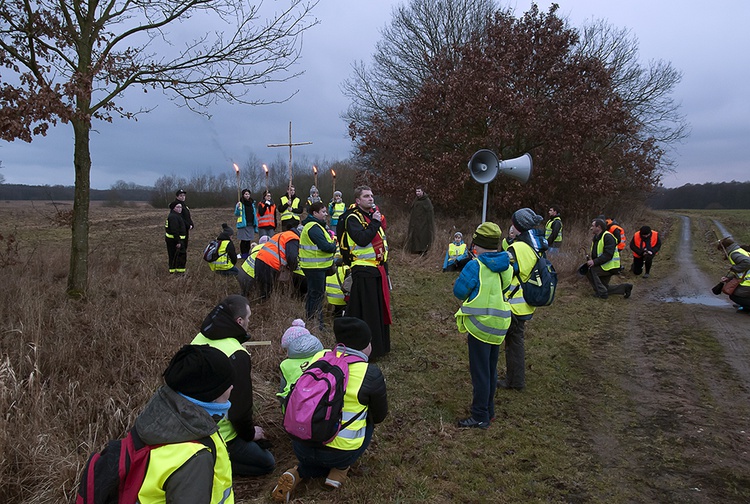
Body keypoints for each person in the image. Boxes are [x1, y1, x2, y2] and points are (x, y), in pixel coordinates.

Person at [271, 317, 388, 501]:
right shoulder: (369, 373)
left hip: (301, 444)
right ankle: (338, 471)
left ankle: (297, 473)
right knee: (369, 419)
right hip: (340, 454)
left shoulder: (320, 357)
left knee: (313, 455)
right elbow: (380, 415)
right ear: (365, 346)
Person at [132, 344, 235, 503]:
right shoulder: (195, 458)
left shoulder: (157, 418)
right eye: (227, 383)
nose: (232, 387)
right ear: (212, 393)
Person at [191, 295, 275, 477]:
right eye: (248, 318)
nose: (249, 321)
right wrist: (250, 433)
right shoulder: (236, 353)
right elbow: (240, 410)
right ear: (239, 321)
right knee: (267, 463)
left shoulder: (199, 337)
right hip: (220, 433)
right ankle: (214, 462)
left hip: (190, 424)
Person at [453, 222, 512, 429]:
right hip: (499, 325)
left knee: (480, 373)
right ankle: (489, 410)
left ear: (476, 244)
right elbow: (505, 286)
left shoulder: (475, 265)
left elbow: (460, 291)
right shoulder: (506, 264)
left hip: (479, 327)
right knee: (490, 369)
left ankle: (480, 416)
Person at [341, 185, 391, 359]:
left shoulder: (372, 215)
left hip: (377, 269)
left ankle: (381, 346)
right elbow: (362, 240)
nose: (371, 198)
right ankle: (367, 349)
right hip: (363, 270)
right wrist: (375, 223)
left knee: (378, 310)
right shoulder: (352, 218)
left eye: (371, 195)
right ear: (357, 200)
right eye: (366, 196)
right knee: (367, 312)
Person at [498, 208, 545, 391]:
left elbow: (505, 273)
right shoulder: (533, 245)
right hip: (525, 304)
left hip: (514, 305)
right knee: (515, 343)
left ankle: (513, 381)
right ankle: (516, 381)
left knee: (509, 344)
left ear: (517, 226)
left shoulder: (517, 248)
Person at [300, 202, 337, 330]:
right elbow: (326, 246)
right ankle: (317, 325)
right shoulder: (313, 227)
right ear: (314, 213)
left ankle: (311, 321)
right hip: (315, 267)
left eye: (326, 211)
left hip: (315, 266)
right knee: (317, 296)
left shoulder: (316, 226)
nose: (325, 214)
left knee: (313, 294)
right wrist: (334, 245)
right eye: (323, 212)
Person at [275, 319, 324, 408]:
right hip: (321, 412)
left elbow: (282, 394)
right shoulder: (325, 358)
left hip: (293, 414)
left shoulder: (287, 366)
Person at [586, 218, 633, 299]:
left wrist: (594, 262)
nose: (591, 228)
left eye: (593, 226)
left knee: (590, 270)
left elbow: (608, 255)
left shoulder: (607, 237)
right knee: (604, 287)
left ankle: (602, 293)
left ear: (599, 227)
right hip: (605, 265)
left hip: (610, 266)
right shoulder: (597, 237)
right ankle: (625, 288)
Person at [254, 222, 301, 300]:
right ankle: (265, 308)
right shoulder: (293, 238)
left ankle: (261, 305)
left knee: (262, 289)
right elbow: (292, 257)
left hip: (260, 259)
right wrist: (294, 268)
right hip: (269, 264)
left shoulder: (283, 234)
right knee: (266, 293)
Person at [717, 237, 750, 313]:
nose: (722, 253)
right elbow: (744, 271)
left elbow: (748, 263)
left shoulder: (734, 254)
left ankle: (747, 307)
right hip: (747, 282)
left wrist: (734, 268)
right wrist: (729, 278)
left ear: (725, 248)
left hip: (748, 283)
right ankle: (746, 307)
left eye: (722, 250)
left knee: (734, 295)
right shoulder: (740, 251)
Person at [406, 186, 435, 254]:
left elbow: (430, 213)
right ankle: (415, 250)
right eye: (416, 191)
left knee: (423, 236)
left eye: (419, 191)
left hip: (423, 223)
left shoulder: (426, 201)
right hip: (415, 222)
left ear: (422, 191)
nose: (417, 193)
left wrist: (428, 223)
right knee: (415, 236)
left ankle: (423, 250)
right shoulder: (416, 200)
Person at [234, 189, 258, 259]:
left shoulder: (252, 203)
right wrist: (238, 208)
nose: (247, 195)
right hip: (243, 224)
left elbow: (254, 213)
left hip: (250, 224)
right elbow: (236, 214)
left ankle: (247, 253)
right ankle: (243, 254)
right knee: (243, 240)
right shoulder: (240, 203)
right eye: (246, 194)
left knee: (248, 240)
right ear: (243, 195)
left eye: (248, 194)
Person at [165, 202, 187, 274]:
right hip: (174, 241)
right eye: (178, 207)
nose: (180, 209)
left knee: (174, 256)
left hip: (174, 240)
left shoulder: (176, 216)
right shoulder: (174, 217)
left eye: (180, 207)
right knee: (179, 257)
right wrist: (178, 241)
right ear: (173, 208)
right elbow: (175, 230)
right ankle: (179, 273)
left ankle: (174, 272)